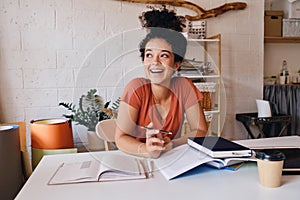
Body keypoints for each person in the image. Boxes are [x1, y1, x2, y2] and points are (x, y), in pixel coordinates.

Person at [115, 7, 208, 158]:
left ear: (176, 64)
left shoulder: (184, 87)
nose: (155, 62)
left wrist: (171, 144)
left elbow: (201, 130)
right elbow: (120, 138)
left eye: (163, 55)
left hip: (168, 161)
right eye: (149, 55)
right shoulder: (136, 88)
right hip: (136, 160)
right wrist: (146, 149)